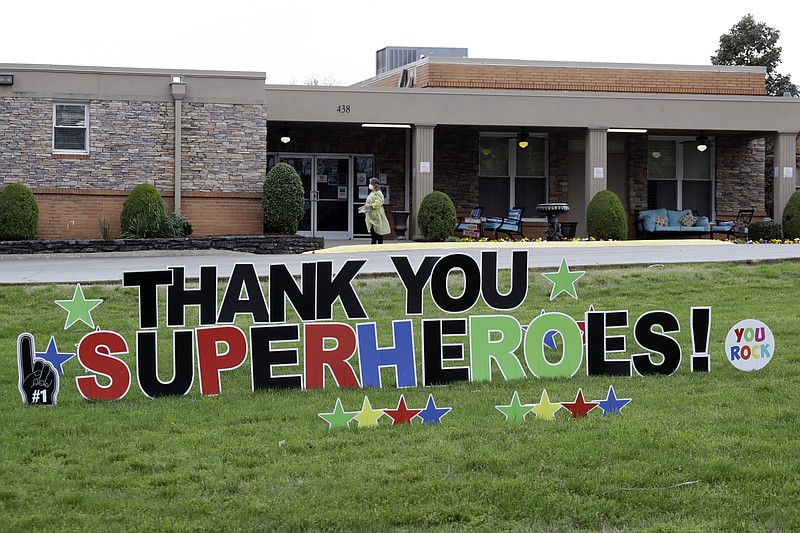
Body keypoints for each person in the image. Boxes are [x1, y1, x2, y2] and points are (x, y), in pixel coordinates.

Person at [363, 177, 390, 244]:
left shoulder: (378, 193)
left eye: (370, 183)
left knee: (378, 231)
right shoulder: (372, 193)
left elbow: (379, 203)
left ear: (374, 184)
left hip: (377, 215)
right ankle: (373, 243)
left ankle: (379, 245)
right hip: (371, 215)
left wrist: (370, 205)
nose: (369, 184)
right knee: (373, 231)